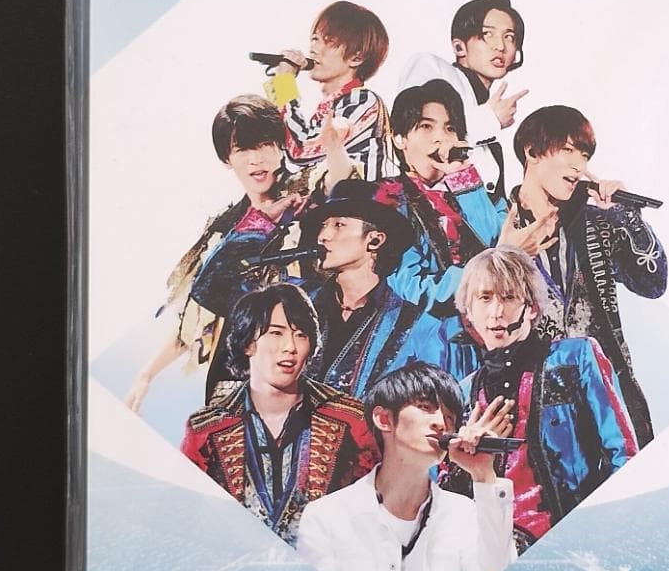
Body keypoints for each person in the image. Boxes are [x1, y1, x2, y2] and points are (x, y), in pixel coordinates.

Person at [125, 94, 358, 410]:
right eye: (243, 149)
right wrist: (146, 374)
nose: (255, 160)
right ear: (227, 158)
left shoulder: (306, 193)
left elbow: (341, 184)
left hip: (305, 363)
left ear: (281, 146)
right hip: (236, 375)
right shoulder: (224, 226)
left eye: (264, 145)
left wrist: (332, 147)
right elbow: (198, 317)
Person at [297, 362, 516, 571]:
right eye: (425, 407)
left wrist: (483, 475)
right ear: (384, 419)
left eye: (449, 416)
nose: (441, 423)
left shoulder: (462, 513)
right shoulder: (326, 517)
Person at [453, 245, 638, 553]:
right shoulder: (463, 393)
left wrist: (603, 536)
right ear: (468, 312)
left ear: (531, 307)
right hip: (496, 553)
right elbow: (449, 499)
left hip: (576, 544)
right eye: (484, 298)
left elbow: (623, 452)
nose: (496, 312)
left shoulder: (575, 357)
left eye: (508, 297)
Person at [511, 105, 667, 445]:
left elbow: (653, 282)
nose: (578, 166)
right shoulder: (495, 222)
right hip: (533, 407)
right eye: (568, 150)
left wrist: (625, 215)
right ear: (532, 152)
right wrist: (507, 255)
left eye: (584, 155)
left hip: (605, 400)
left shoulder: (596, 223)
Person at [181, 284, 379, 547]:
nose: (290, 347)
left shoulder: (351, 420)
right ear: (248, 343)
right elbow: (186, 519)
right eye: (276, 333)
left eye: (301, 335)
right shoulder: (207, 430)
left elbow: (376, 513)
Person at [383, 79, 555, 375]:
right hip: (428, 349)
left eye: (450, 128)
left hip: (493, 343)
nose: (441, 138)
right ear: (400, 139)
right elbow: (415, 289)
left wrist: (465, 181)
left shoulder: (478, 192)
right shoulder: (386, 200)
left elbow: (500, 241)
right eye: (426, 127)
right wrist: (498, 258)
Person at [298, 178, 448, 395]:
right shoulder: (298, 304)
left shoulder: (418, 326)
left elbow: (429, 402)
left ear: (375, 240)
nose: (323, 237)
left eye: (339, 225)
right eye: (323, 226)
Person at [399, 0, 529, 192]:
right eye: (487, 34)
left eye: (509, 37)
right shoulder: (431, 67)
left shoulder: (491, 137)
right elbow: (414, 134)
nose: (500, 46)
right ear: (459, 47)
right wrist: (490, 120)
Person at [269, 0, 397, 181]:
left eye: (328, 42)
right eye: (315, 39)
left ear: (357, 57)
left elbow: (301, 151)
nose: (314, 49)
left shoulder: (362, 101)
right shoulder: (330, 108)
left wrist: (283, 83)